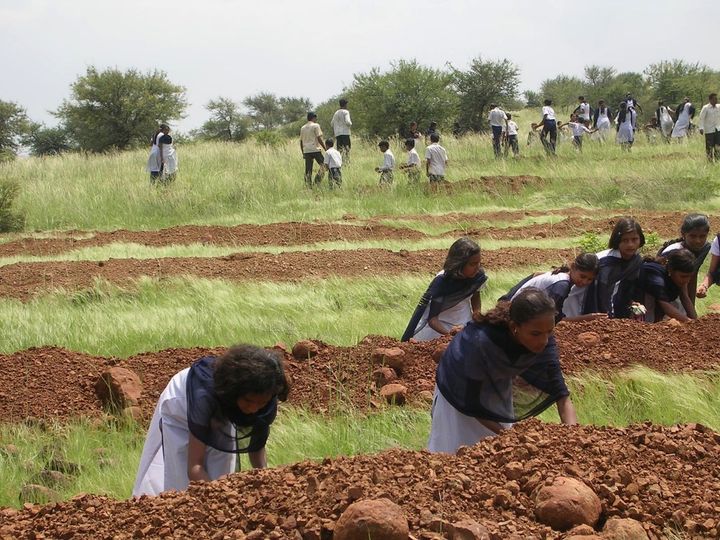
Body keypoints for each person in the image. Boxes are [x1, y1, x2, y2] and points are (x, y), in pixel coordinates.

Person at [428, 288, 578, 454]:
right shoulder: (480, 343)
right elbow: (471, 401)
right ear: (515, 327)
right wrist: (510, 438)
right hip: (457, 392)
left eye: (549, 332)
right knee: (457, 450)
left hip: (495, 386)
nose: (543, 340)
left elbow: (561, 393)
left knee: (500, 454)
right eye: (535, 334)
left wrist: (572, 438)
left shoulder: (544, 337)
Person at [133, 345, 289, 497]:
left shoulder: (265, 395)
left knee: (223, 474)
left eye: (260, 403)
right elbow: (194, 467)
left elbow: (256, 447)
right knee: (182, 486)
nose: (254, 408)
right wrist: (222, 499)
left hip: (222, 406)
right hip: (181, 407)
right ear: (236, 392)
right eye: (248, 401)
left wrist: (266, 482)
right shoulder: (205, 398)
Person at [401, 237, 486, 342]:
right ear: (459, 264)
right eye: (472, 264)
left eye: (479, 263)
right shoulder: (442, 282)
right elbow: (432, 319)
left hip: (465, 325)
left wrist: (477, 314)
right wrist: (450, 334)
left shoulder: (477, 276)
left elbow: (476, 294)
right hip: (439, 329)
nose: (478, 267)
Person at [502, 253, 605, 322]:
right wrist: (587, 318)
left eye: (589, 279)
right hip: (515, 314)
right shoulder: (562, 285)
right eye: (582, 276)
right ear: (573, 267)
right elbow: (553, 319)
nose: (584, 282)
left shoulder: (562, 277)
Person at [583, 218, 645, 319]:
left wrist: (633, 303)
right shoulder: (605, 262)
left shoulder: (636, 260)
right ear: (617, 240)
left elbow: (626, 290)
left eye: (634, 239)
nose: (630, 244)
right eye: (625, 240)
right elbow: (603, 294)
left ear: (640, 239)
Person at [659, 214, 711, 309]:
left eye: (702, 236)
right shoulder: (675, 252)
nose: (698, 241)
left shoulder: (704, 248)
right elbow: (659, 283)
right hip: (664, 293)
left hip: (680, 292)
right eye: (693, 236)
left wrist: (692, 306)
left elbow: (693, 274)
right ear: (683, 234)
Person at [636, 250, 697, 323]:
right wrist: (689, 321)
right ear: (671, 270)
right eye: (683, 276)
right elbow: (665, 305)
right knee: (648, 322)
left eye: (689, 276)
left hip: (656, 305)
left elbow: (685, 297)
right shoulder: (655, 276)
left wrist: (696, 321)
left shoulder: (680, 278)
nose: (687, 280)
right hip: (641, 301)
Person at [300, 112, 326, 187]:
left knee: (308, 170)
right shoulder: (316, 126)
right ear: (313, 117)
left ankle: (308, 186)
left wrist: (303, 152)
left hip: (307, 151)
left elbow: (301, 142)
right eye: (315, 118)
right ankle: (317, 182)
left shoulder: (303, 128)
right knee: (324, 166)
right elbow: (319, 138)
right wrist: (325, 148)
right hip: (315, 149)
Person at [698, 93, 720, 162]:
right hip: (709, 130)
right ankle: (710, 161)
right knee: (709, 147)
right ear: (710, 100)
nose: (716, 100)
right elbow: (701, 118)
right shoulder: (705, 108)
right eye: (715, 99)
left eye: (717, 99)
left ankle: (717, 160)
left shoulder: (719, 107)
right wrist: (701, 128)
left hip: (718, 129)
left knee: (718, 146)